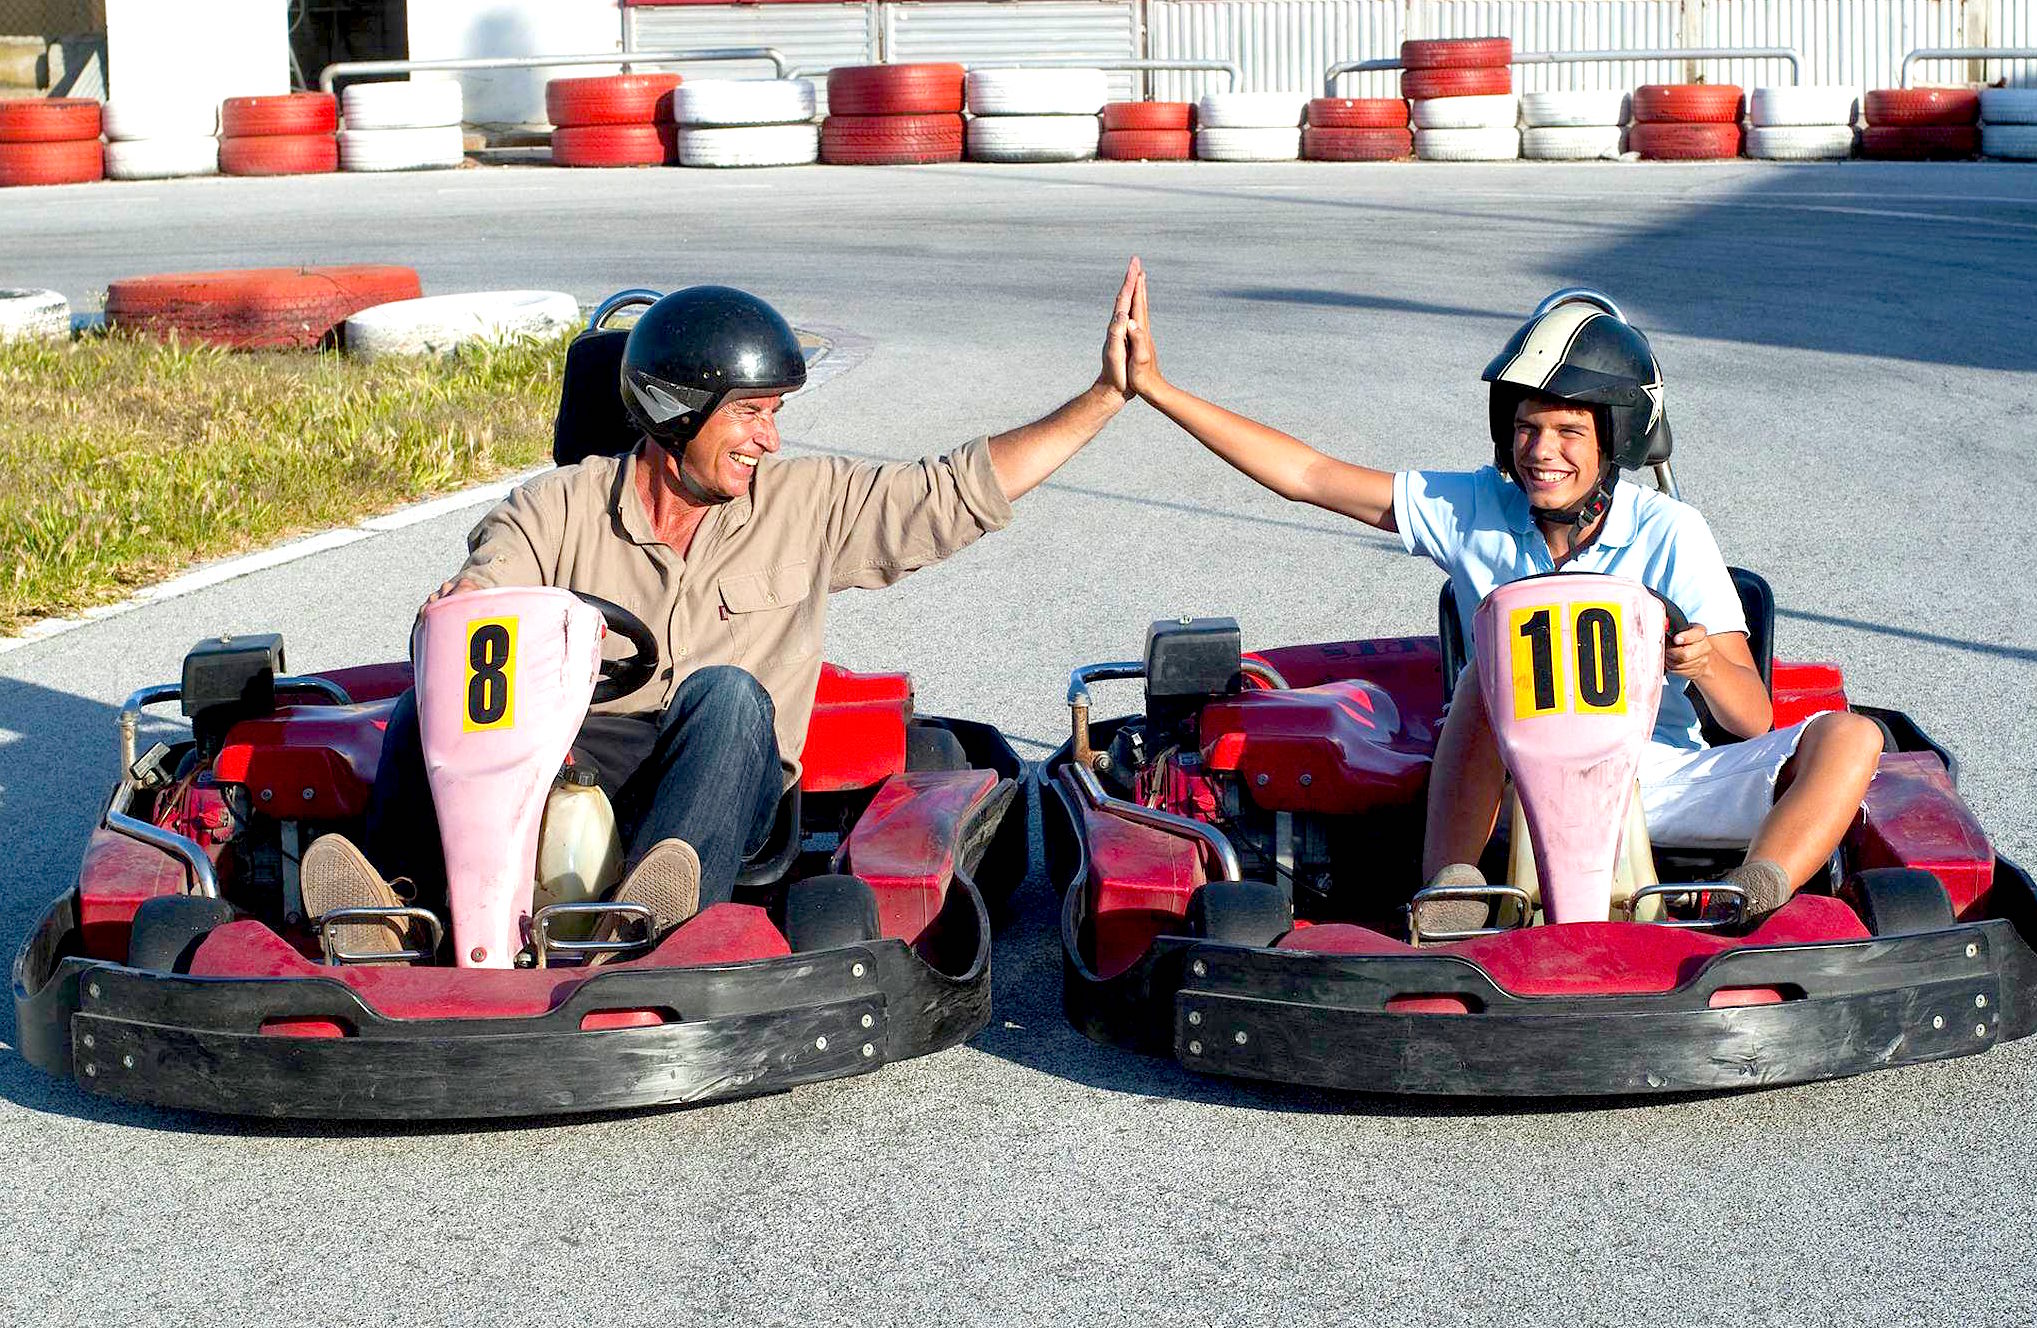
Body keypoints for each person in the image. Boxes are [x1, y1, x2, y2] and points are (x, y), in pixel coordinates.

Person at [305, 267, 1144, 957]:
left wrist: (1103, 397)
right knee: (432, 693)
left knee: (729, 692)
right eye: (749, 414)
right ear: (673, 412)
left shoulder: (807, 504)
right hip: (560, 759)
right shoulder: (553, 508)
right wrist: (462, 608)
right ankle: (398, 911)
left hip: (718, 773)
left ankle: (659, 917)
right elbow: (489, 589)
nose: (768, 439)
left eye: (774, 415)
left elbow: (956, 490)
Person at [1116, 264, 1883, 930]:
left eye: (1566, 431)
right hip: (1513, 781)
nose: (1540, 452)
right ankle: (1451, 884)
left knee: (1851, 736)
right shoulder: (1475, 506)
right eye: (1525, 427)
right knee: (1492, 669)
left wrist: (1705, 660)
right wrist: (1156, 389)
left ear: (1614, 440)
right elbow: (1310, 477)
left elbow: (1750, 716)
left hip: (1659, 780)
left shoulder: (1671, 531)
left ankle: (1751, 890)